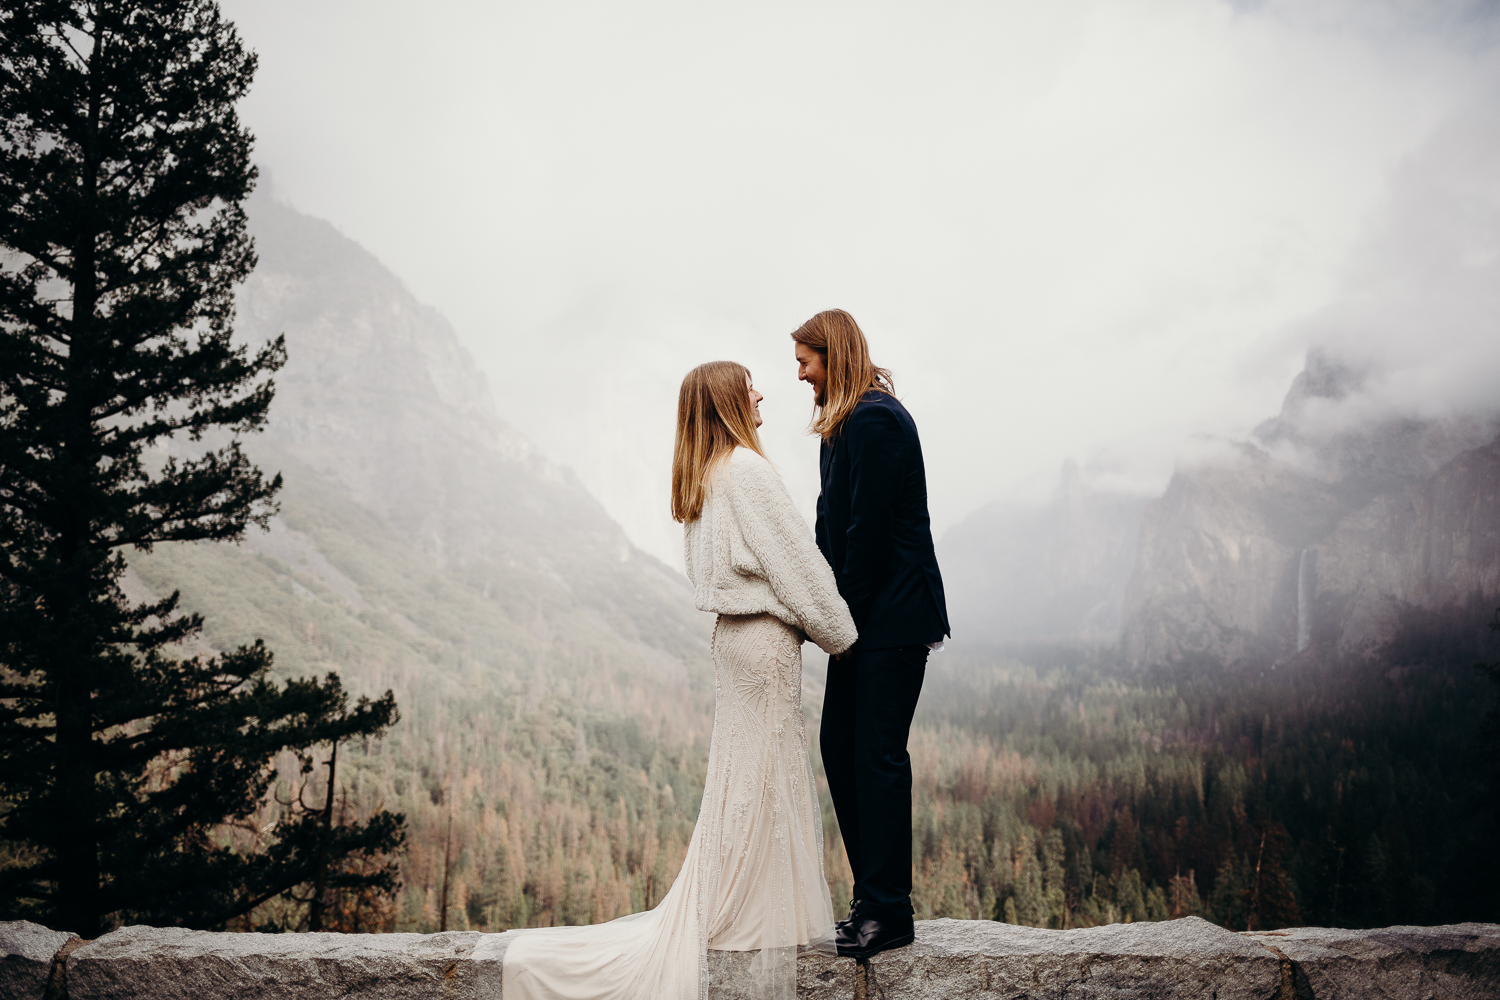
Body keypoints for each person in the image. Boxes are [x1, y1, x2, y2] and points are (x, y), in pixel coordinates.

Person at [501, 360, 856, 1000]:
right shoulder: (749, 472)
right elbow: (798, 566)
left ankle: (734, 903)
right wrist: (843, 637)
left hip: (731, 641)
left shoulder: (706, 477)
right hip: (765, 641)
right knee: (767, 768)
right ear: (727, 398)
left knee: (741, 770)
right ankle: (749, 913)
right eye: (750, 382)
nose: (762, 390)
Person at [791, 309, 950, 960]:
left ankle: (890, 911)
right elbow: (832, 531)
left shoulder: (878, 419)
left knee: (876, 757)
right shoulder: (841, 425)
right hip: (858, 620)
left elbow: (871, 536)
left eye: (806, 360)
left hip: (890, 619)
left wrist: (838, 621)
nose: (800, 374)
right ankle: (871, 897)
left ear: (835, 356)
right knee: (839, 746)